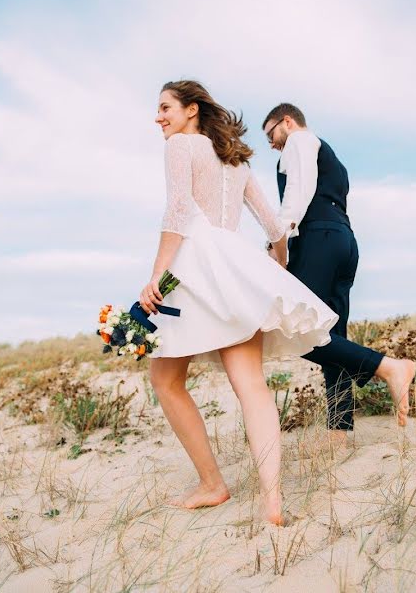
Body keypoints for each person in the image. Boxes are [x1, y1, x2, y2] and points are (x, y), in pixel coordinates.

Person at [140, 81, 338, 525]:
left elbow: (177, 212)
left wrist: (156, 275)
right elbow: (274, 227)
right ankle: (273, 500)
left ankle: (213, 484)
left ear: (191, 110)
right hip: (235, 268)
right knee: (251, 386)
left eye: (165, 108)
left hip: (193, 268)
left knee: (166, 381)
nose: (159, 117)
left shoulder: (180, 147)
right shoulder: (236, 160)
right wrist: (276, 270)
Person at [262, 103, 416, 446]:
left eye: (271, 134)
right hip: (343, 241)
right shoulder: (330, 157)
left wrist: (278, 240)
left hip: (318, 239)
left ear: (287, 122)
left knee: (296, 328)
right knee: (334, 335)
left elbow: (297, 192)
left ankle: (389, 367)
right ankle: (340, 429)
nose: (271, 144)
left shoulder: (300, 142)